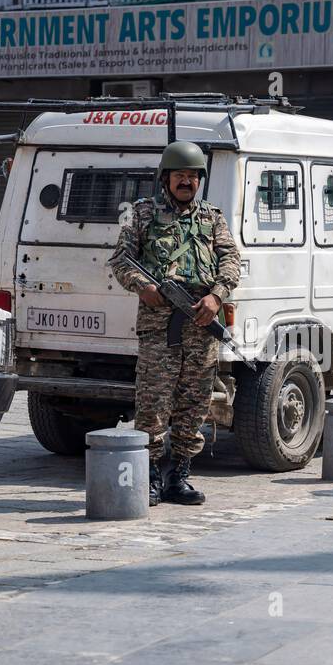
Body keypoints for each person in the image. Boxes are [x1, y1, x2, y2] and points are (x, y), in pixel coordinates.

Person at [109, 141, 240, 506]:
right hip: (158, 327)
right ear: (165, 178)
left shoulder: (212, 218)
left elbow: (231, 260)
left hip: (200, 324)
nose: (187, 182)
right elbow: (121, 261)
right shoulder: (143, 215)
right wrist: (144, 286)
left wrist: (216, 296)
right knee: (153, 403)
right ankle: (149, 476)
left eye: (193, 176)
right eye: (180, 175)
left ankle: (177, 476)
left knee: (194, 404)